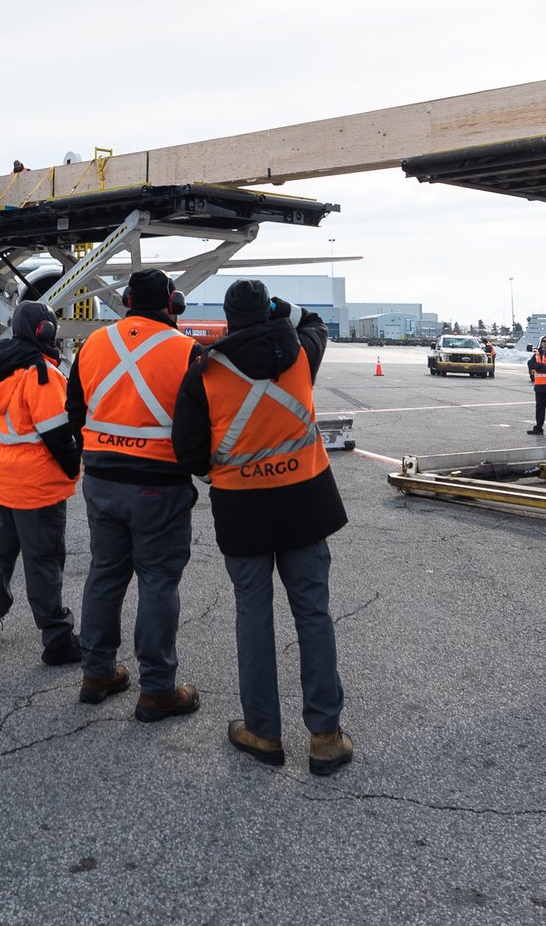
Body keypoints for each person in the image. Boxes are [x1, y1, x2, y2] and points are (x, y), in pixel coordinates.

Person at [173, 280, 352, 777]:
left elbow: (188, 452)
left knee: (253, 616)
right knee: (313, 613)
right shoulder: (298, 353)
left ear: (228, 318)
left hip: (242, 508)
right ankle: (325, 737)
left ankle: (263, 731)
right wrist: (282, 308)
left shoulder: (204, 371)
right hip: (305, 504)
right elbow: (314, 321)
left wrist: (222, 470)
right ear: (268, 310)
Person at [64, 268, 201, 723]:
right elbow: (201, 421)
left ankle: (96, 673)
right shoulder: (186, 351)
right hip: (158, 484)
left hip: (101, 479)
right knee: (158, 581)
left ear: (124, 300)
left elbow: (74, 410)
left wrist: (101, 452)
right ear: (172, 302)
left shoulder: (93, 345)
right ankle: (158, 689)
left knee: (105, 574)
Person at [0, 301, 81, 665]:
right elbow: (57, 434)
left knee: (0, 560)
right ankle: (57, 639)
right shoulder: (41, 374)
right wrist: (72, 468)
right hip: (38, 486)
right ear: (44, 331)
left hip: (4, 482)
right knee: (44, 563)